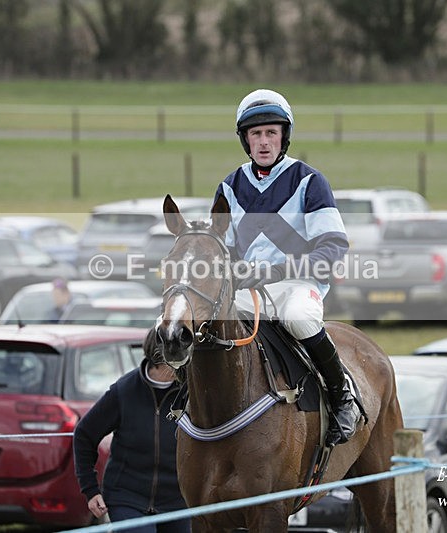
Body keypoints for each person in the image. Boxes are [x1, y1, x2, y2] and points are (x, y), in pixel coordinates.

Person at [213, 88, 360, 446]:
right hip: (249, 292)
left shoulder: (309, 181)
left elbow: (334, 246)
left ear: (284, 136)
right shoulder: (229, 188)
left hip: (298, 285)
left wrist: (278, 270)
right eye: (256, 134)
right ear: (245, 140)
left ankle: (342, 397)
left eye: (271, 133)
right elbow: (223, 250)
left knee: (299, 319)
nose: (264, 142)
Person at [72, 328, 189, 533]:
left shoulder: (191, 392)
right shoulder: (124, 391)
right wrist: (90, 490)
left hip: (178, 499)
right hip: (127, 497)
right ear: (160, 355)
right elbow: (84, 434)